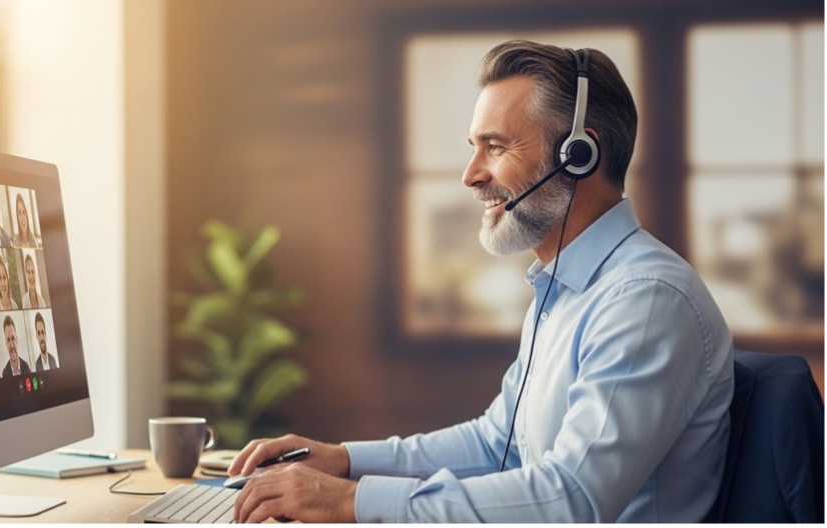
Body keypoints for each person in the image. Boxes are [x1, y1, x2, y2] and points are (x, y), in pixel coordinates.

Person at [226, 40, 734, 523]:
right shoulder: (565, 289)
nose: (470, 174)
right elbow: (497, 445)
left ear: (578, 155)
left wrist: (352, 502)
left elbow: (572, 500)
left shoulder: (644, 299)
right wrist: (343, 461)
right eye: (474, 147)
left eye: (495, 146)